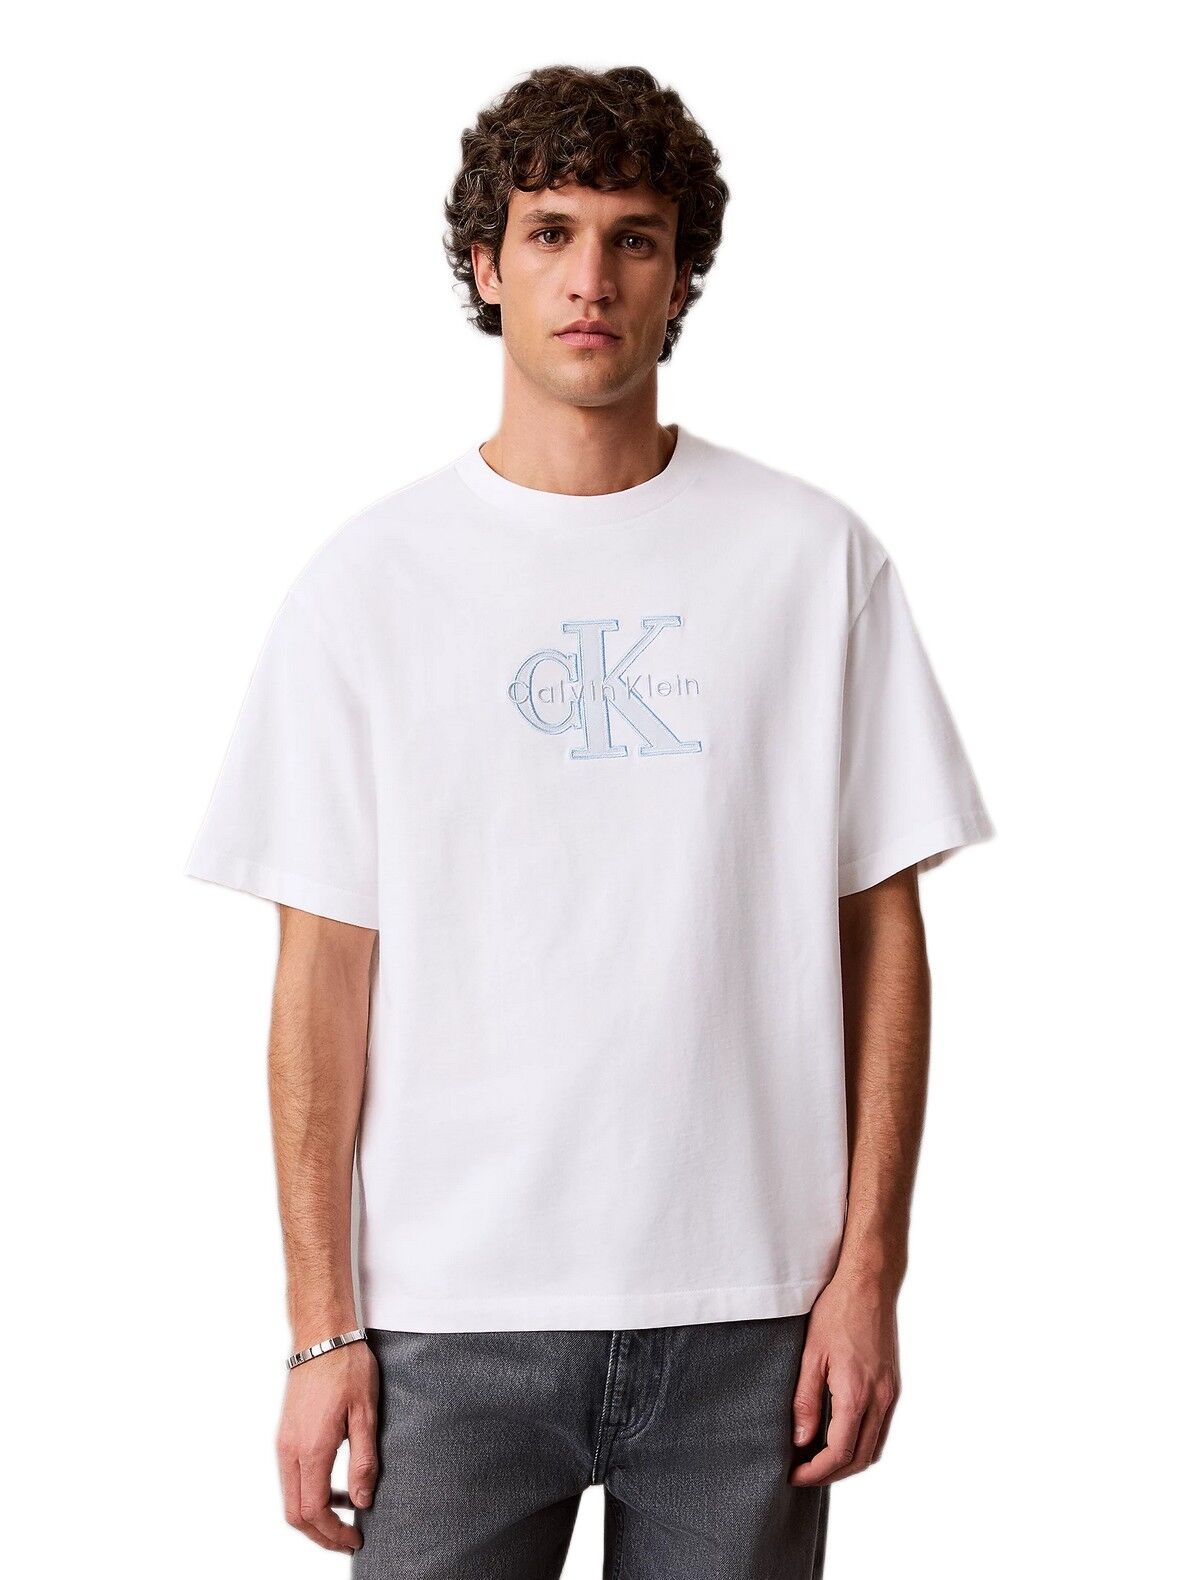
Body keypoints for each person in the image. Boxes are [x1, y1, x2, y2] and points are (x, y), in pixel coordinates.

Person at [186, 62, 993, 1579]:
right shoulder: (371, 585)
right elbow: (321, 976)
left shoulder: (811, 561)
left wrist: (869, 1271)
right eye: (550, 232)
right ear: (486, 265)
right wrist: (319, 1327)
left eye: (635, 237)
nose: (592, 279)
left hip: (753, 1315)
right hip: (448, 1322)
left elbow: (881, 934)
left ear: (683, 274)